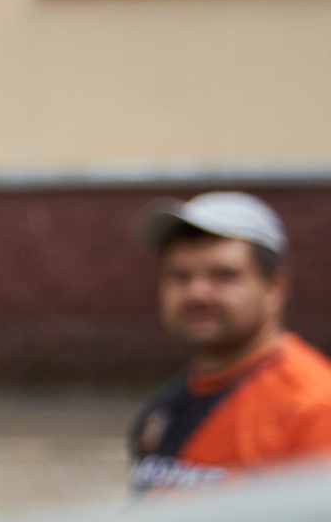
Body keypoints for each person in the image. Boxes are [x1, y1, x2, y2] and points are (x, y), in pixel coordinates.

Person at [127, 192, 331, 493]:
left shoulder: (313, 411)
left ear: (275, 287)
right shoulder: (170, 404)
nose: (197, 293)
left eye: (223, 276)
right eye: (180, 276)